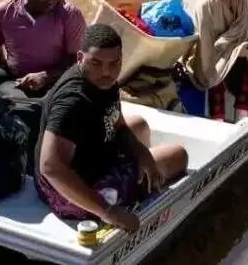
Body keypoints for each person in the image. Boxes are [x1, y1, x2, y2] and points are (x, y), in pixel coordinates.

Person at [36, 24, 189, 231]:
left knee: (139, 126)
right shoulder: (73, 101)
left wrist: (143, 153)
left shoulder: (105, 83)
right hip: (67, 195)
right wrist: (107, 211)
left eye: (114, 63)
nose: (106, 72)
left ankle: (138, 176)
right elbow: (50, 167)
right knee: (178, 155)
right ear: (80, 58)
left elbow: (117, 123)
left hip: (88, 156)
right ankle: (132, 187)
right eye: (96, 63)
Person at [0, 0, 87, 108]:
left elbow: (77, 60)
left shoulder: (69, 14)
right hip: (17, 79)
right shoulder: (3, 12)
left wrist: (46, 77)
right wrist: (10, 78)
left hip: (56, 80)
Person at [183, 0, 248, 123]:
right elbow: (206, 45)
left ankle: (242, 116)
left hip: (237, 48)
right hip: (210, 52)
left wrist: (229, 47)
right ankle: (218, 120)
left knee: (247, 69)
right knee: (214, 73)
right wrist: (225, 49)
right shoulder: (204, 6)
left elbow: (242, 29)